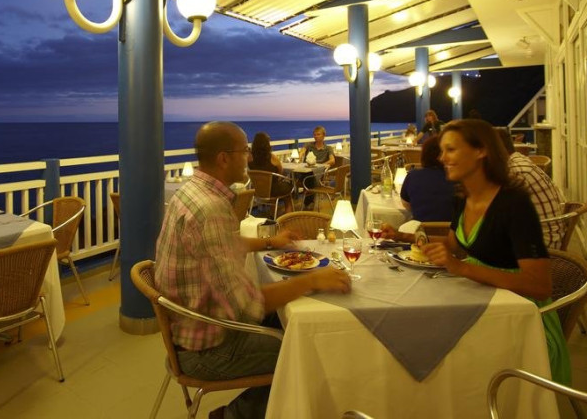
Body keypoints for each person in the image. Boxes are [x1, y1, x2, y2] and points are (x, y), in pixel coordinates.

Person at [155, 121, 351, 419]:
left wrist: (271, 242)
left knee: (290, 320)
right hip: (207, 348)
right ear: (224, 158)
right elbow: (246, 304)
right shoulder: (211, 209)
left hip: (188, 328)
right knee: (307, 351)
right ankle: (234, 415)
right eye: (243, 151)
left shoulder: (190, 193)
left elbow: (219, 245)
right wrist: (312, 280)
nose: (249, 156)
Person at [422, 119, 569, 384]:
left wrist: (462, 268)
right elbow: (453, 245)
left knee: (440, 354)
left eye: (451, 149)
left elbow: (540, 286)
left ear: (481, 150)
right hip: (481, 299)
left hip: (521, 319)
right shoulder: (463, 197)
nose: (441, 158)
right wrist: (402, 237)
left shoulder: (514, 204)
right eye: (442, 151)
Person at [496, 128, 566, 248]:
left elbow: (497, 214)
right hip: (549, 232)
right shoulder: (519, 160)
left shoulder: (516, 171)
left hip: (542, 244)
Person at [398, 136, 455, 222]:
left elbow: (406, 204)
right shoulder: (459, 179)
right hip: (455, 229)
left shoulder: (413, 176)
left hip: (420, 229)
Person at [249, 131, 293, 213]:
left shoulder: (250, 157)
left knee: (276, 185)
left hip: (257, 190)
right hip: (273, 190)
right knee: (288, 190)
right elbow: (281, 171)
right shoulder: (272, 157)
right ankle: (288, 215)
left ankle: (272, 213)